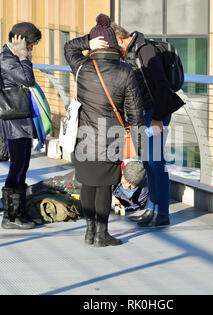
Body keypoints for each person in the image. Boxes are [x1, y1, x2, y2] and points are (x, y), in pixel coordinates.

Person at [64, 14, 143, 247]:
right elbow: (135, 113)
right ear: (113, 44)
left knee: (88, 183)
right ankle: (102, 233)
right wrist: (136, 148)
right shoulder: (125, 71)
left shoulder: (82, 67)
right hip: (112, 137)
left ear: (96, 44)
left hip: (84, 137)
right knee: (104, 186)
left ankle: (89, 232)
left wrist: (87, 41)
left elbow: (69, 47)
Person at [111, 23, 185, 227]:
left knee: (155, 163)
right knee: (146, 162)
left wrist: (158, 117)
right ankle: (151, 208)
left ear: (119, 39)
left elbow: (161, 85)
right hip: (144, 113)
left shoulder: (145, 50)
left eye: (112, 45)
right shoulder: (130, 53)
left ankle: (162, 213)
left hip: (154, 113)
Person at [0, 22, 41, 230]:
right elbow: (28, 79)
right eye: (30, 44)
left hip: (19, 119)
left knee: (22, 165)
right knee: (17, 166)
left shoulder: (9, 57)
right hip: (14, 120)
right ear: (20, 40)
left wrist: (22, 57)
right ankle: (11, 216)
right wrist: (23, 57)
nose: (31, 49)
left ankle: (19, 211)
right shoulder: (7, 58)